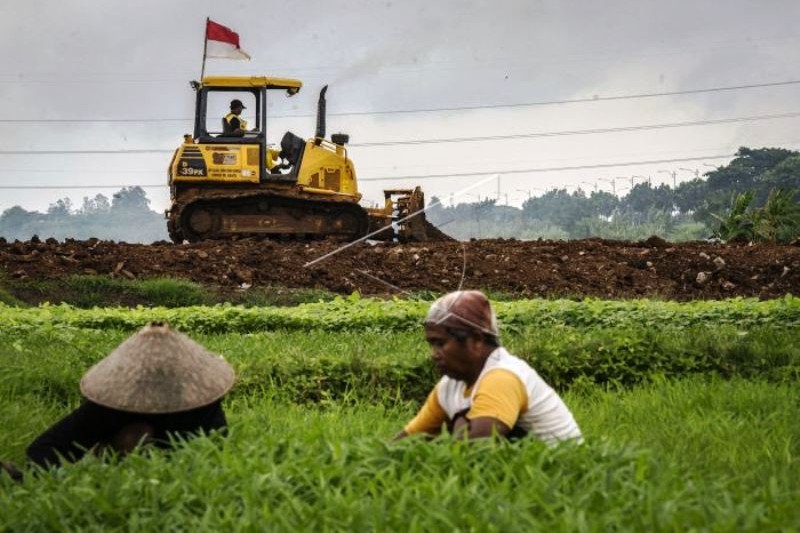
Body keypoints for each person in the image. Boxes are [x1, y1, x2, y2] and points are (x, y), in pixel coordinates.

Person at [7, 322, 234, 474]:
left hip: (179, 470)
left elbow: (216, 450)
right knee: (137, 434)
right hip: (125, 468)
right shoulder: (114, 407)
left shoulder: (201, 404)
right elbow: (47, 448)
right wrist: (33, 475)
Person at [395, 291, 582, 444]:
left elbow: (476, 448)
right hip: (521, 477)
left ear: (476, 340)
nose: (434, 354)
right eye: (432, 345)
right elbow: (408, 441)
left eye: (441, 343)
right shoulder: (449, 387)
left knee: (462, 424)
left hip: (559, 476)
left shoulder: (502, 377)